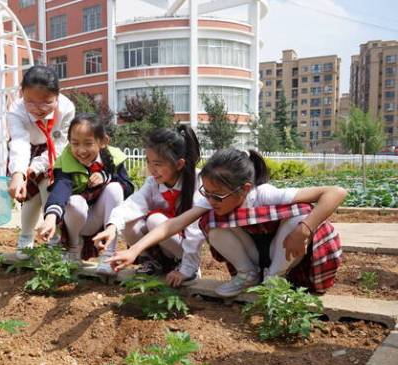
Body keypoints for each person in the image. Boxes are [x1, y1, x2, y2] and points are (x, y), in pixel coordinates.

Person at [108, 148, 347, 297]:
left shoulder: (264, 194)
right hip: (254, 255)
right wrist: (134, 250)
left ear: (244, 189)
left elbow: (336, 192)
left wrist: (304, 230)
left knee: (300, 215)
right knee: (212, 224)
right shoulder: (213, 201)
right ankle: (247, 274)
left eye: (218, 195)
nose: (211, 200)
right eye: (207, 193)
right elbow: (174, 224)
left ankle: (275, 280)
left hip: (282, 253)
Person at [92, 127, 205, 287]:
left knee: (154, 220)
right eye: (148, 161)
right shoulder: (153, 183)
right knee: (129, 222)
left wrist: (188, 268)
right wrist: (112, 226)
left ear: (179, 164)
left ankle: (185, 265)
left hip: (186, 248)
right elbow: (131, 205)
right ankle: (153, 262)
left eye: (158, 164)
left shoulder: (198, 182)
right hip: (164, 243)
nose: (151, 169)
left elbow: (195, 232)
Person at [37, 113, 134, 274]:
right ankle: (73, 249)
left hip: (102, 222)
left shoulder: (114, 158)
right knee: (75, 201)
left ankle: (109, 255)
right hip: (76, 223)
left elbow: (128, 188)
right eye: (75, 143)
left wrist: (106, 177)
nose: (81, 150)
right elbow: (61, 187)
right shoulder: (65, 161)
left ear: (103, 141)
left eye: (88, 143)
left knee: (115, 188)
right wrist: (51, 216)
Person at [7, 65, 75, 258]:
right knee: (30, 197)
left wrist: (37, 166)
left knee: (49, 189)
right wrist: (19, 173)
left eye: (46, 102)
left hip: (53, 151)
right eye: (30, 102)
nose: (38, 109)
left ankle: (54, 239)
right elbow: (19, 141)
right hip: (26, 151)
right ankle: (26, 237)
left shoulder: (66, 108)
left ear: (57, 96)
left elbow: (61, 144)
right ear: (22, 94)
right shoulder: (16, 110)